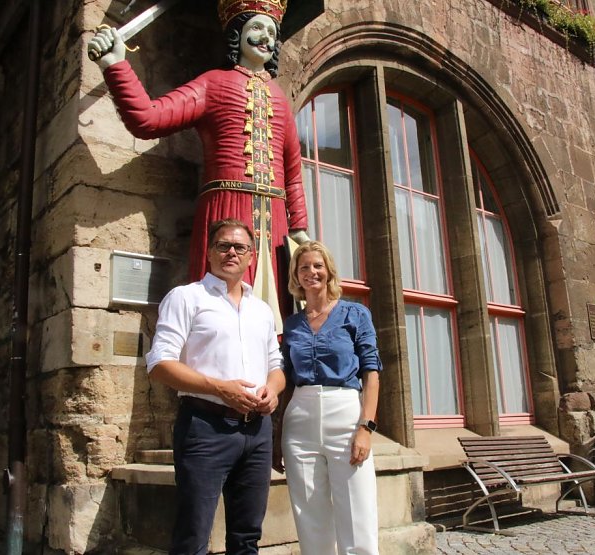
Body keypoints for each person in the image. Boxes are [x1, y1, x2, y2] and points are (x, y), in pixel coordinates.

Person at [87, 0, 309, 329]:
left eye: (272, 31)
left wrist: (299, 230)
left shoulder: (280, 100)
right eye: (257, 28)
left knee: (274, 316)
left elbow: (292, 174)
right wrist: (115, 64)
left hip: (274, 221)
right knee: (218, 309)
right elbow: (148, 119)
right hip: (225, 207)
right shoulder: (213, 84)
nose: (265, 37)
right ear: (238, 33)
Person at [145, 218, 286, 554]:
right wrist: (220, 389)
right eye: (223, 245)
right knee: (193, 535)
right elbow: (160, 364)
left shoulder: (262, 310)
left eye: (240, 247)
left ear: (251, 256)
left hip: (257, 432)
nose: (231, 252)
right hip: (205, 428)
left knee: (247, 537)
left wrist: (274, 391)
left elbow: (276, 366)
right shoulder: (186, 297)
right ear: (209, 253)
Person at [277, 240, 381, 555]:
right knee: (310, 516)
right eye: (304, 266)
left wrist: (366, 427)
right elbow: (287, 379)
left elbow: (372, 371)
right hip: (300, 418)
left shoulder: (355, 313)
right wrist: (276, 431)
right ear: (296, 274)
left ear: (329, 271)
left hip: (345, 412)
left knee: (357, 511)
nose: (312, 272)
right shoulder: (292, 324)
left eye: (317, 266)